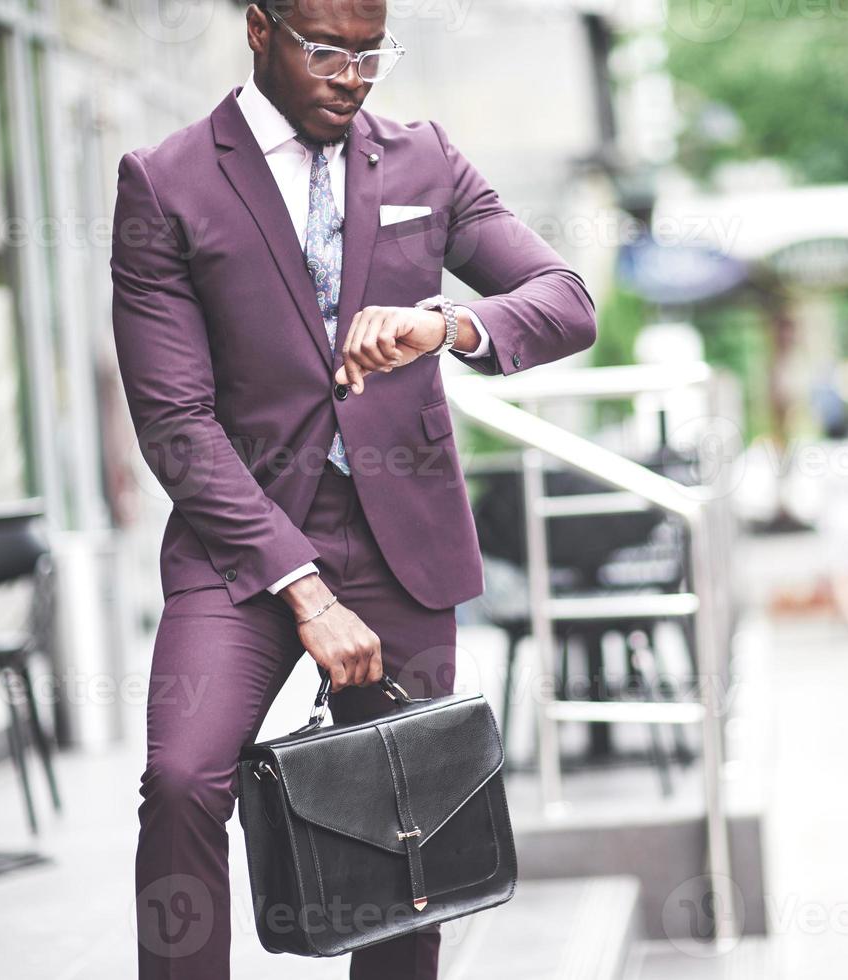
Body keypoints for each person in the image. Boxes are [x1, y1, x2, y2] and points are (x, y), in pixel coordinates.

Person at [109, 4, 597, 977]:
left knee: (404, 806)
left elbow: (565, 301)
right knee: (182, 779)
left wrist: (445, 328)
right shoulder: (166, 181)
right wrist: (305, 589)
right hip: (238, 543)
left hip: (402, 539)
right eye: (325, 49)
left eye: (372, 51)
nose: (353, 74)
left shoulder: (423, 160)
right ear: (259, 28)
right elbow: (175, 422)